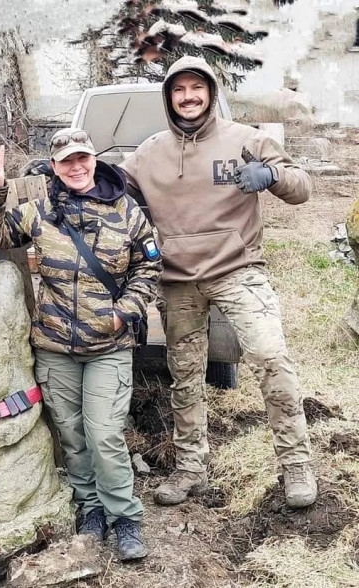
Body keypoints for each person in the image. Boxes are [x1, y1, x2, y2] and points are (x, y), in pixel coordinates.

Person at [118, 56, 317, 508]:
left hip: (237, 269)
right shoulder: (150, 151)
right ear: (169, 98)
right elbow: (113, 187)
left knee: (270, 356)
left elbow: (302, 186)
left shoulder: (245, 139)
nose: (188, 97)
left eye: (196, 88)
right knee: (184, 377)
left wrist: (271, 175)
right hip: (178, 280)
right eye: (178, 90)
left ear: (210, 91)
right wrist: (60, 176)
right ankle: (191, 468)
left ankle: (295, 464)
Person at [0, 130, 161, 561]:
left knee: (105, 435)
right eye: (66, 161)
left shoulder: (127, 211)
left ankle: (125, 517)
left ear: (94, 160)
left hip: (109, 346)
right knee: (72, 436)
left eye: (83, 158)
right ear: (54, 167)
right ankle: (90, 509)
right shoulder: (40, 212)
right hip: (56, 348)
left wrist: (121, 313)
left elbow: (149, 268)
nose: (76, 167)